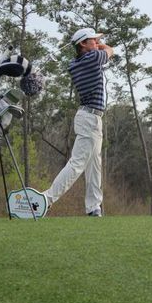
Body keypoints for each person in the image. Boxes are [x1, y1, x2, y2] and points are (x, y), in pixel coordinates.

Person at [41, 28, 113, 217]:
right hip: (89, 118)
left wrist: (94, 42)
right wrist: (101, 45)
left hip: (90, 117)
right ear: (83, 44)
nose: (97, 43)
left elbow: (101, 51)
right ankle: (46, 199)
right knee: (78, 163)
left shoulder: (75, 63)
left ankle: (93, 207)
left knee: (94, 165)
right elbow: (110, 50)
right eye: (93, 40)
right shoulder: (91, 59)